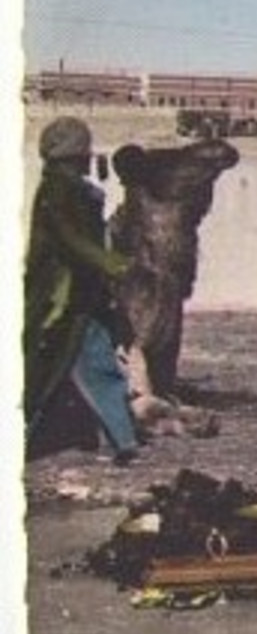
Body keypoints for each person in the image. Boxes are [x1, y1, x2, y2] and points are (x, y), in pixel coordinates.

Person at [23, 116, 142, 466]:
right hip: (59, 298)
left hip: (76, 296)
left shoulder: (71, 189)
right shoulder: (59, 191)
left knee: (90, 363)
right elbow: (70, 240)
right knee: (42, 371)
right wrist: (111, 264)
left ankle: (123, 439)